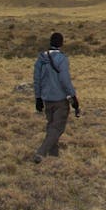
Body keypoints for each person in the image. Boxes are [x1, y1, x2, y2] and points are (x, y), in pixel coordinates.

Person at [32, 32, 79, 163]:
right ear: (61, 43)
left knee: (51, 125)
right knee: (57, 128)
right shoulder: (62, 59)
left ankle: (54, 156)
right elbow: (64, 79)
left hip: (47, 98)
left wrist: (38, 97)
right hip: (60, 99)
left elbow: (36, 79)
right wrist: (73, 96)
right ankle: (41, 153)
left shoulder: (41, 59)